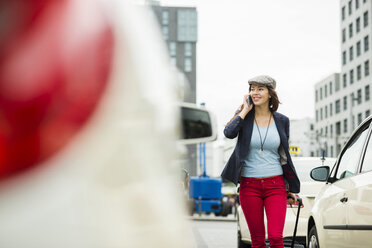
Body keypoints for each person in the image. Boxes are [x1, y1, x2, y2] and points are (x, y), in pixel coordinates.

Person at [221, 75, 300, 248]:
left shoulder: (282, 121)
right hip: (249, 186)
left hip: (276, 185)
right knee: (257, 240)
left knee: (275, 237)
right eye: (252, 89)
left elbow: (284, 155)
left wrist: (289, 187)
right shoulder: (244, 117)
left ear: (270, 93)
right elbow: (228, 133)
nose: (255, 92)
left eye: (260, 89)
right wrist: (243, 111)